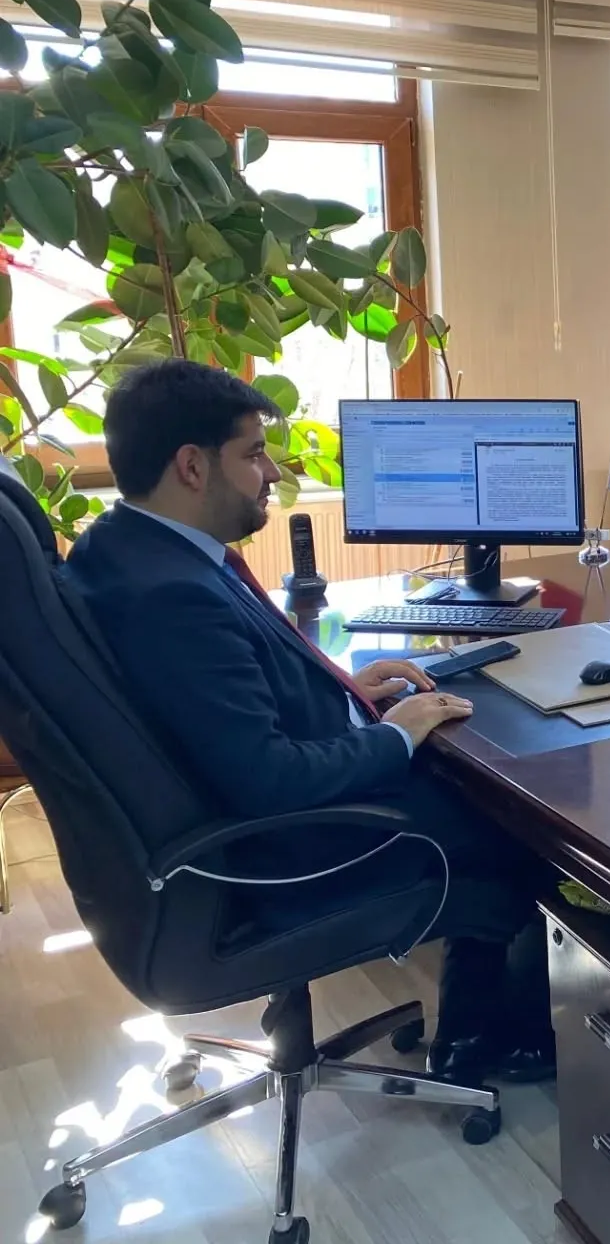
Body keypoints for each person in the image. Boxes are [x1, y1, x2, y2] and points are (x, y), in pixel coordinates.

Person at [62, 360, 553, 1087]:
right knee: (522, 815)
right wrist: (394, 733)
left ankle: (473, 1027)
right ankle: (507, 1036)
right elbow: (269, 780)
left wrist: (343, 689)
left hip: (243, 818)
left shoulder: (126, 548)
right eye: (254, 453)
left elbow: (225, 702)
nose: (271, 473)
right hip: (295, 847)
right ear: (192, 466)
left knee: (482, 764)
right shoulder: (173, 597)